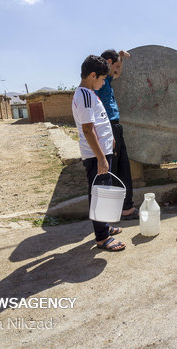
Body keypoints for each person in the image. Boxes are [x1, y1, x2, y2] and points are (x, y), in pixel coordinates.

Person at [72, 55, 125, 251]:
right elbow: (88, 129)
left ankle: (104, 227)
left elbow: (98, 123)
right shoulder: (85, 95)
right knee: (100, 195)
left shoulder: (89, 93)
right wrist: (101, 158)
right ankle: (102, 238)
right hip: (97, 156)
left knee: (103, 192)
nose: (104, 82)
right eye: (102, 78)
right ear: (93, 75)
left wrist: (109, 138)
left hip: (101, 152)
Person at [97, 49, 138, 220]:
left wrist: (120, 58)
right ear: (107, 62)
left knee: (123, 168)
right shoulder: (99, 81)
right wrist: (108, 134)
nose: (118, 70)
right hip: (108, 127)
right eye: (116, 66)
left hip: (116, 127)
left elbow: (116, 73)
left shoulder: (106, 80)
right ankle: (109, 213)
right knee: (112, 170)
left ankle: (126, 208)